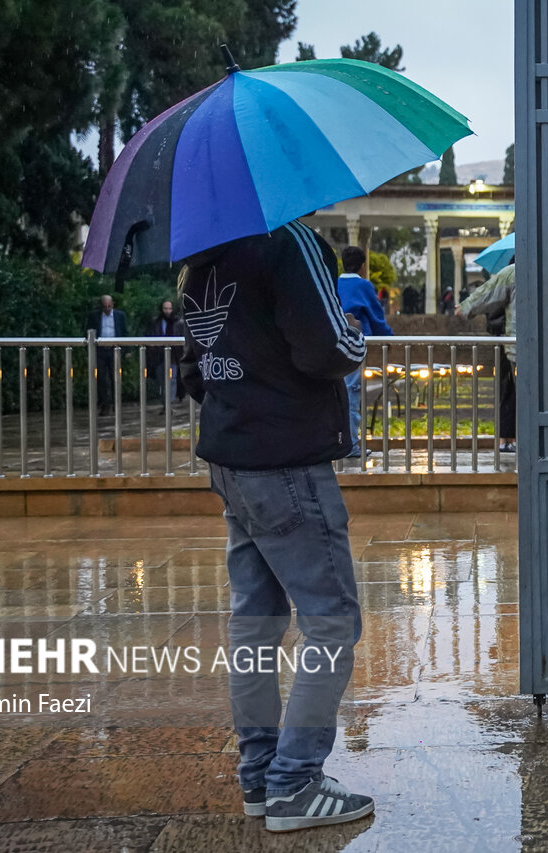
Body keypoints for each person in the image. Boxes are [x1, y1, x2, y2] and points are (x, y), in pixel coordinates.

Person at [178, 220, 374, 833]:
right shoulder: (289, 242)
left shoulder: (199, 255)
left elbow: (192, 372)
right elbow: (327, 350)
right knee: (332, 620)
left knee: (254, 622)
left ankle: (261, 777)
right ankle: (295, 782)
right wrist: (357, 340)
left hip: (234, 460)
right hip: (288, 459)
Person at [336, 246, 393, 457]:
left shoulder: (334, 282)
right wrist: (390, 338)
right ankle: (351, 445)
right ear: (362, 266)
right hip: (352, 344)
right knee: (352, 393)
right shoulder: (363, 286)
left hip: (331, 344)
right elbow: (377, 317)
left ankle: (335, 442)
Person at [456, 261, 516, 452]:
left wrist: (465, 307)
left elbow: (488, 294)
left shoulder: (512, 272)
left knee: (513, 395)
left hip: (516, 346)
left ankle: (510, 439)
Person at [85, 294, 128, 414]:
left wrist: (126, 350)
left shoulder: (120, 315)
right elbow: (88, 332)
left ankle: (116, 403)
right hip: (100, 350)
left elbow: (124, 332)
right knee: (101, 378)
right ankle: (105, 403)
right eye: (105, 307)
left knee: (116, 377)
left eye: (109, 306)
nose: (107, 309)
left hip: (115, 349)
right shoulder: (94, 316)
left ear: (112, 304)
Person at [146, 300, 184, 406]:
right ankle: (165, 403)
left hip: (173, 355)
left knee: (172, 379)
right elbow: (151, 335)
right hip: (158, 356)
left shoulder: (178, 323)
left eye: (169, 308)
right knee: (161, 381)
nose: (167, 311)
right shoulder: (156, 322)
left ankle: (169, 403)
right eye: (165, 308)